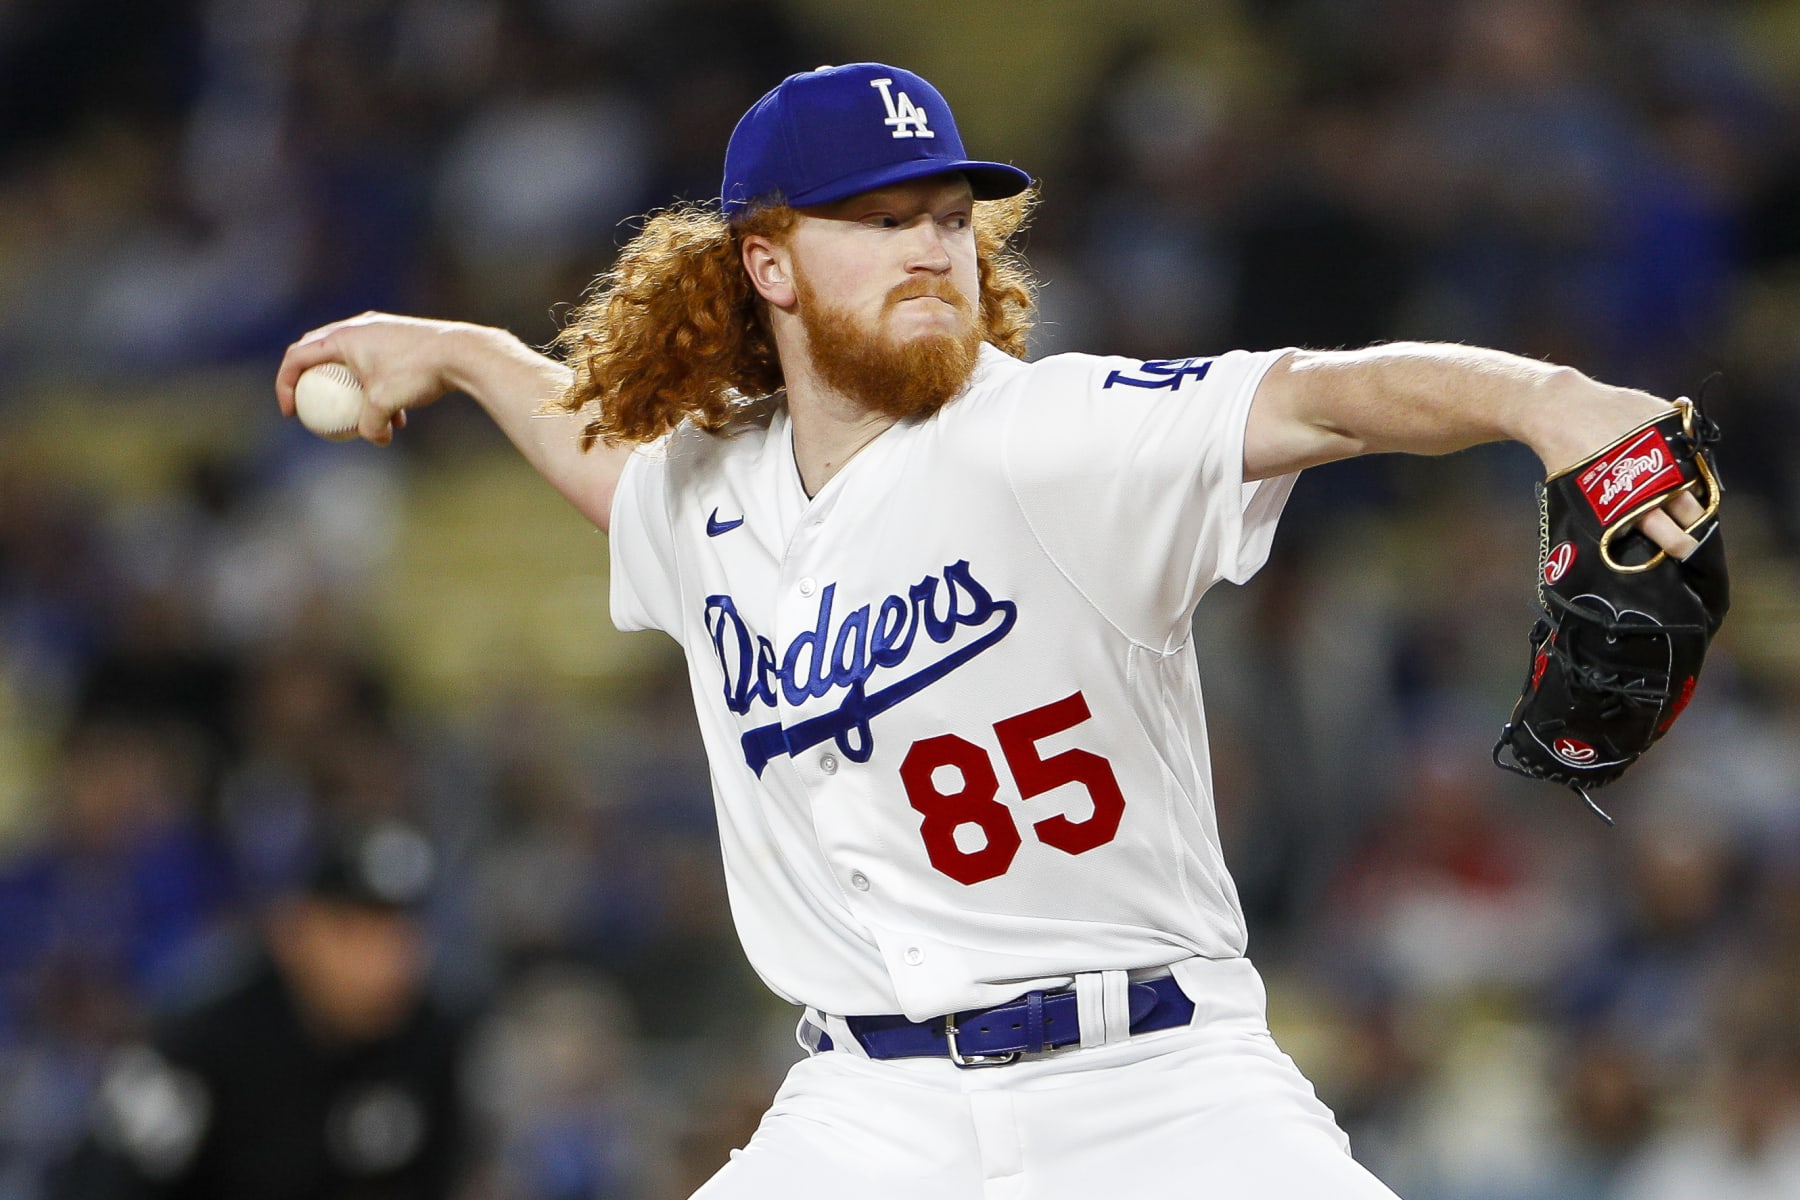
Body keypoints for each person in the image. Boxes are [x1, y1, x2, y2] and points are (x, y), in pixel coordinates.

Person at [275, 62, 1710, 1199]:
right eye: (882, 222)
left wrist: (1551, 402)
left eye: (951, 218)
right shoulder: (706, 497)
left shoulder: (1050, 434)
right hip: (869, 1110)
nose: (933, 251)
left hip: (1160, 1086)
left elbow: (1322, 395)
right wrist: (466, 356)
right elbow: (606, 465)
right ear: (767, 265)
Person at [55, 822, 468, 1200]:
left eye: (402, 934)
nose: (385, 959)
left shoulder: (432, 1040)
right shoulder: (197, 1046)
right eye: (355, 932)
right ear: (291, 931)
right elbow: (97, 1183)